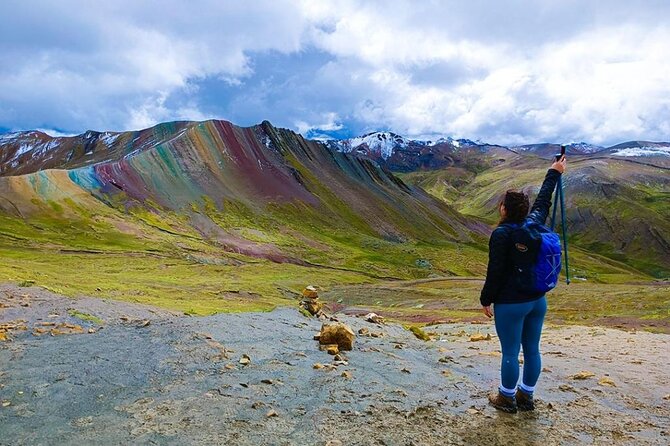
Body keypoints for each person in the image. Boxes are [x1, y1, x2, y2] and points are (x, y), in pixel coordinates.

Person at [480, 155, 567, 413]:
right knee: (532, 349)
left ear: (505, 209)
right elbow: (543, 201)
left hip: (511, 303)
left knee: (509, 351)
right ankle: (526, 396)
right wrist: (555, 172)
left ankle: (506, 398)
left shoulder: (502, 234)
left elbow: (494, 271)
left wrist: (486, 299)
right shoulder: (534, 223)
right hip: (537, 300)